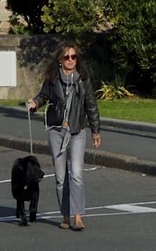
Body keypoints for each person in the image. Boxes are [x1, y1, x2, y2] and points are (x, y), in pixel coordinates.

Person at [28, 42, 101, 230]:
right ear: (60, 60)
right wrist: (35, 103)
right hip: (56, 131)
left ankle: (78, 216)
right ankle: (66, 215)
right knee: (61, 178)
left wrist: (95, 131)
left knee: (76, 173)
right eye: (67, 57)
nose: (70, 60)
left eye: (73, 57)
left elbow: (91, 105)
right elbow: (43, 96)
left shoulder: (83, 80)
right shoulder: (52, 79)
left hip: (76, 131)